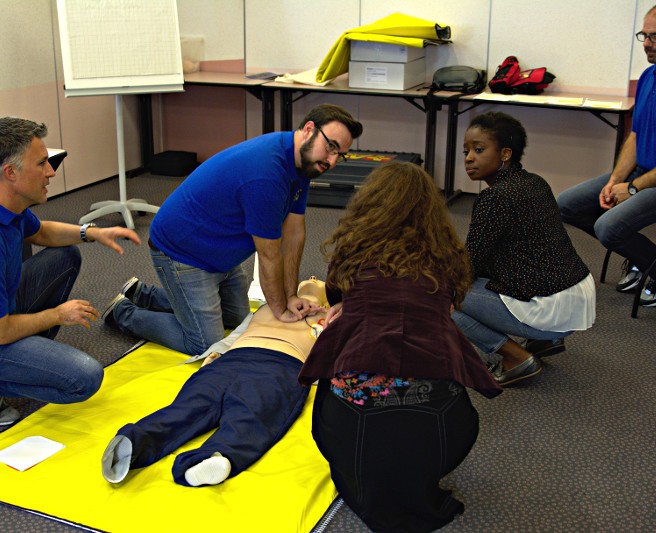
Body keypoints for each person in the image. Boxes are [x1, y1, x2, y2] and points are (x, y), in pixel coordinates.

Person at [298, 162, 501, 532]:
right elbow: (450, 306)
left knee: (332, 390)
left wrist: (356, 305)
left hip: (358, 415)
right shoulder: (447, 255)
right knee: (441, 396)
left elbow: (334, 296)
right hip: (439, 417)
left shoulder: (353, 250)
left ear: (370, 203)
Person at [0, 117, 141, 426]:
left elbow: (41, 233)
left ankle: (25, 356)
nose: (51, 171)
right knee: (85, 377)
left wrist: (91, 233)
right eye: (42, 164)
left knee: (66, 255)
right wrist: (58, 315)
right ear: (10, 173)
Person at [102, 104, 363, 355]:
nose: (331, 160)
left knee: (239, 321)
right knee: (205, 342)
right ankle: (124, 312)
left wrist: (290, 295)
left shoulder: (302, 162)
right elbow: (270, 253)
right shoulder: (268, 173)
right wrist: (281, 309)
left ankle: (143, 294)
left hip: (220, 253)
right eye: (330, 147)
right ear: (308, 129)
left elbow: (294, 234)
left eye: (340, 155)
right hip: (182, 254)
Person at [101, 278, 328, 488]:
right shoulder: (270, 307)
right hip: (248, 362)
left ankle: (195, 452)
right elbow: (236, 334)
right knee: (215, 412)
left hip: (266, 364)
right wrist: (215, 354)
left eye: (318, 280)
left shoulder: (324, 316)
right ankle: (148, 443)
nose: (313, 279)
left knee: (225, 414)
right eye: (310, 278)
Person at [452, 112, 595, 386]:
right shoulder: (534, 182)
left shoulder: (496, 197)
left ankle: (515, 357)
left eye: (479, 150)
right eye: (466, 151)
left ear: (505, 153)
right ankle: (546, 340)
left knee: (438, 296)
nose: (469, 158)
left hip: (552, 308)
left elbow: (468, 265)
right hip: (575, 294)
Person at [557, 5, 656, 306]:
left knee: (608, 227)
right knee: (566, 205)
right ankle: (643, 260)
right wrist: (615, 180)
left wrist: (634, 188)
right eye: (645, 35)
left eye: (655, 36)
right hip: (643, 171)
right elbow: (636, 135)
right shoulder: (649, 76)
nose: (647, 44)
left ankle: (652, 266)